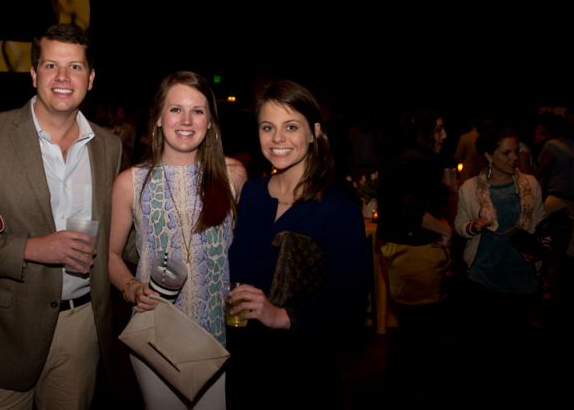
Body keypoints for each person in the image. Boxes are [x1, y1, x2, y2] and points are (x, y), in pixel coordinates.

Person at [0, 23, 122, 410]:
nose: (63, 78)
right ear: (34, 74)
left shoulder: (109, 146)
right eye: (51, 66)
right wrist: (31, 249)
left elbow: (119, 233)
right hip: (0, 331)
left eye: (75, 67)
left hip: (81, 331)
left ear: (92, 77)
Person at [108, 70, 247, 410]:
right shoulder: (131, 182)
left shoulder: (234, 176)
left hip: (217, 334)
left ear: (210, 122)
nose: (186, 120)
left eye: (198, 111)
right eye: (175, 109)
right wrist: (131, 288)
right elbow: (110, 255)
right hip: (156, 332)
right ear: (157, 118)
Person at [226, 80, 368, 409]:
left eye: (291, 127)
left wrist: (283, 316)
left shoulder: (339, 210)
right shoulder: (252, 195)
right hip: (244, 365)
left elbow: (350, 308)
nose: (277, 139)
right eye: (267, 127)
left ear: (314, 132)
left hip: (302, 371)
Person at [454, 124, 544, 401]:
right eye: (506, 153)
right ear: (489, 155)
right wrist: (472, 226)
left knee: (517, 355)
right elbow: (459, 225)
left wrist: (539, 249)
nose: (514, 158)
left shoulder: (530, 185)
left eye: (516, 151)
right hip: (484, 279)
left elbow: (540, 227)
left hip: (522, 279)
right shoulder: (470, 188)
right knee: (486, 355)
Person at [376, 108, 454, 408]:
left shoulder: (399, 155)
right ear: (420, 131)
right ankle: (406, 394)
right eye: (437, 129)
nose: (443, 135)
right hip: (414, 251)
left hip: (404, 249)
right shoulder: (416, 159)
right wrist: (445, 230)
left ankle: (400, 391)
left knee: (412, 329)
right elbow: (412, 210)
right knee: (418, 331)